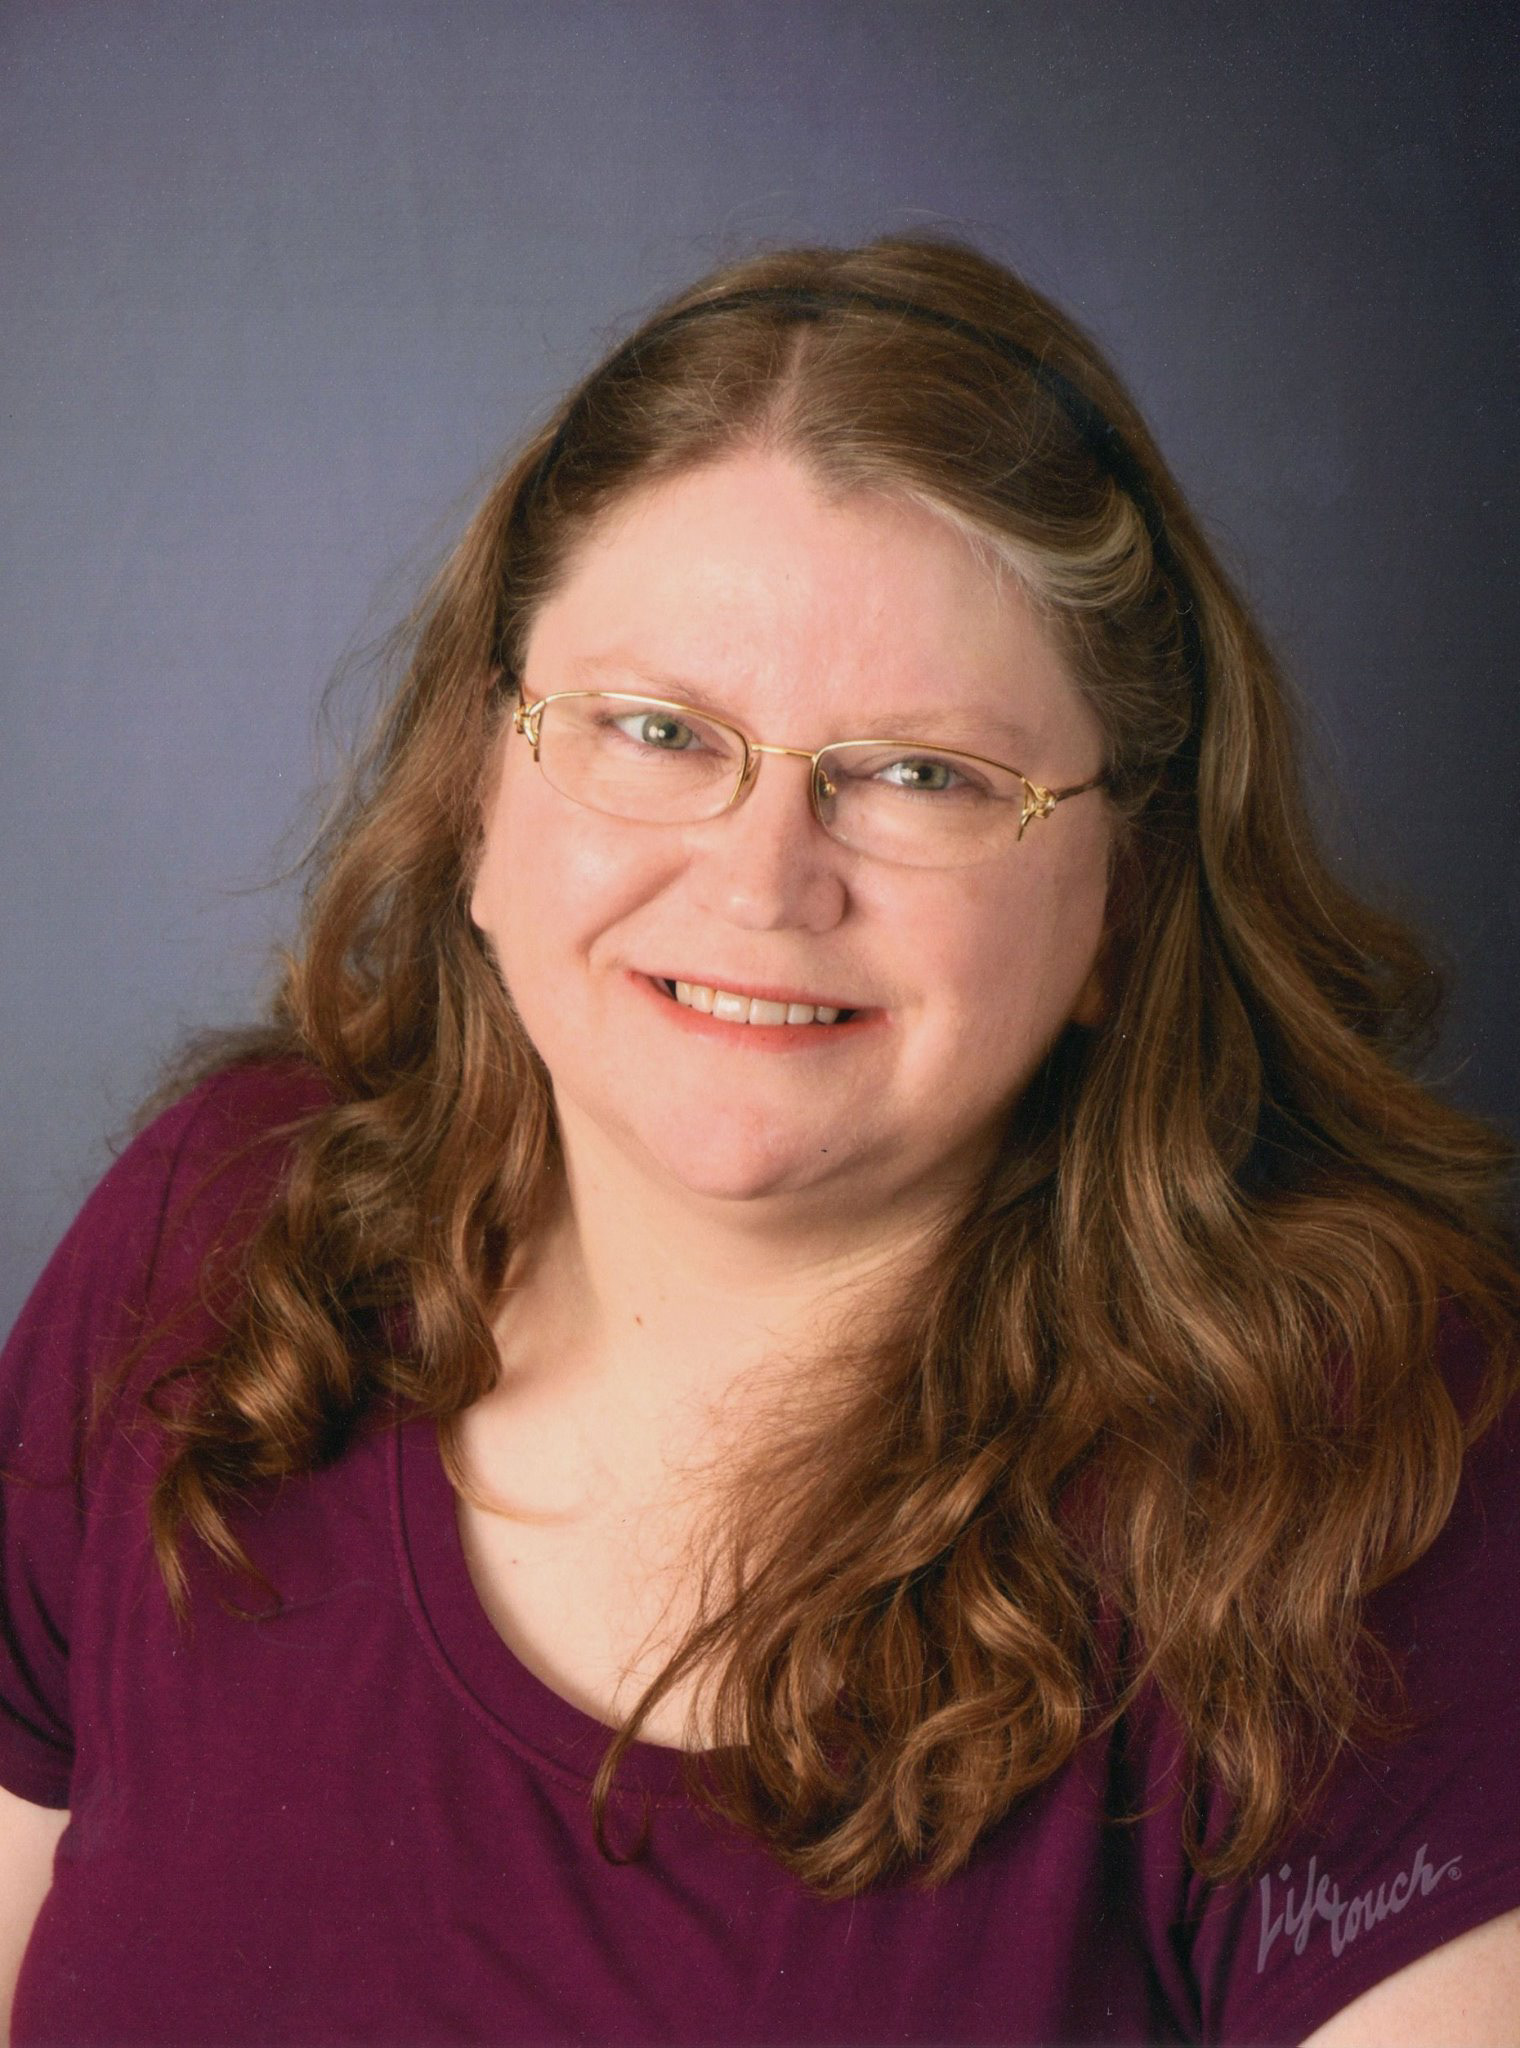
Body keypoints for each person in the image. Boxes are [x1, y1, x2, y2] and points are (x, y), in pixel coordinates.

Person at [2, 235, 1518, 2048]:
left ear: (1124, 896)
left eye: (922, 774)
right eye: (656, 730)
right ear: (479, 799)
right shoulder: (213, 1239)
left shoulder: (1362, 1463)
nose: (762, 881)